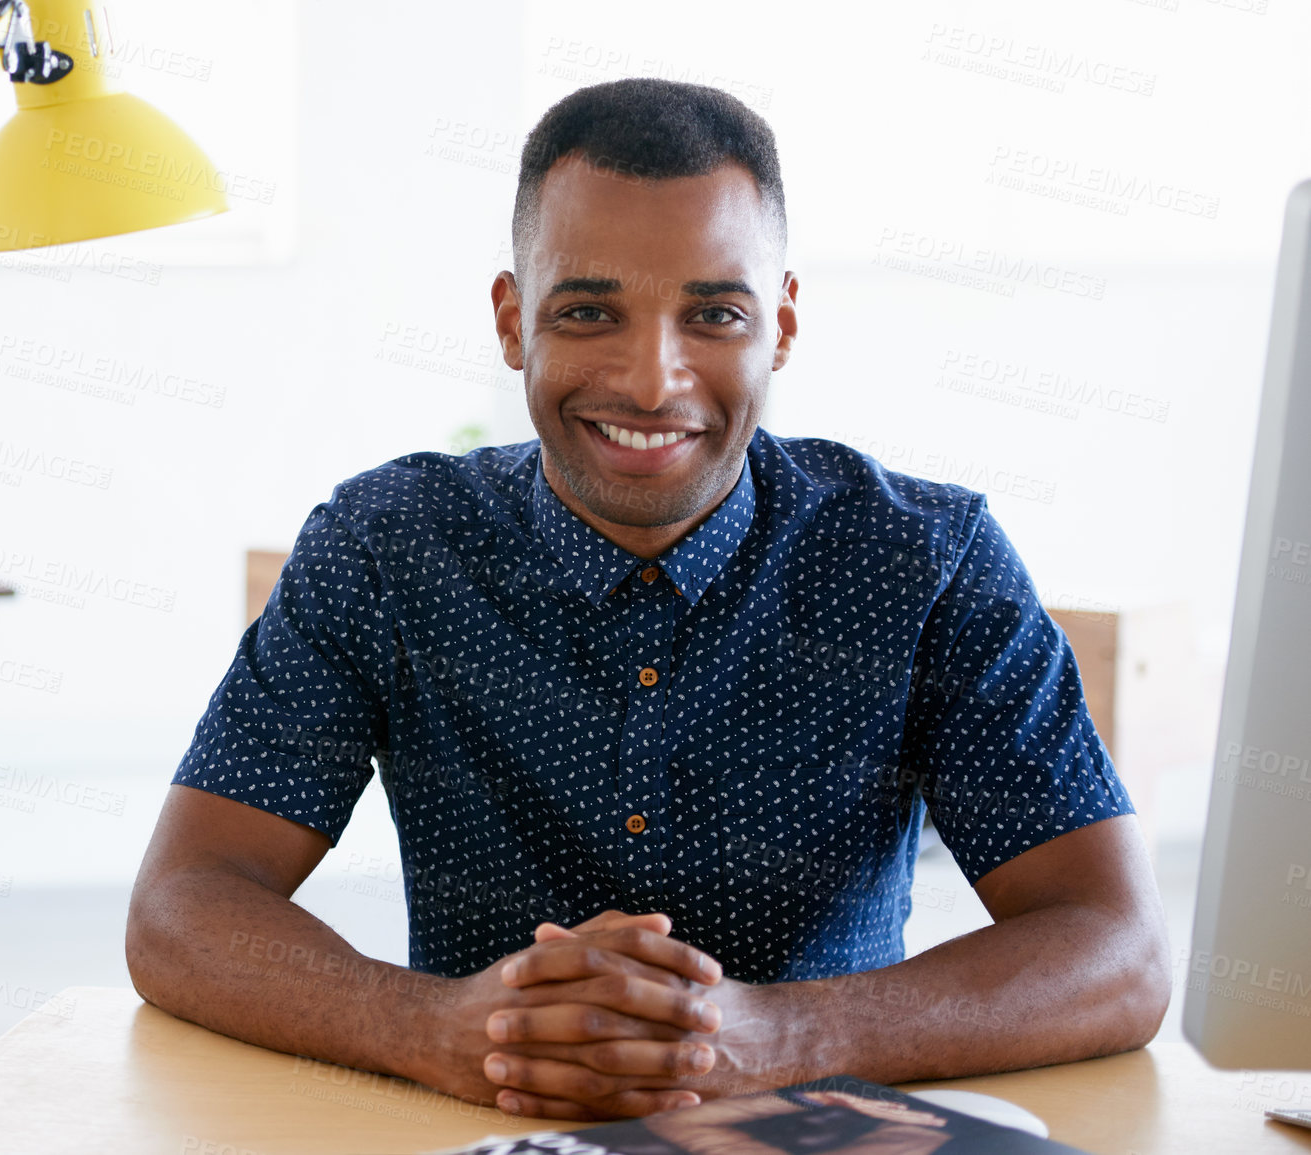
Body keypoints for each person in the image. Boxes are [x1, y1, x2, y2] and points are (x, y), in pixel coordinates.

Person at [124, 77, 1171, 1122]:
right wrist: (436, 1028)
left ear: (784, 324)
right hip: (473, 1133)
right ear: (511, 320)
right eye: (589, 311)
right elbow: (182, 906)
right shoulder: (386, 544)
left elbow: (1117, 952)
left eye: (714, 313)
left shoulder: (925, 557)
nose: (653, 380)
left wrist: (780, 1039)